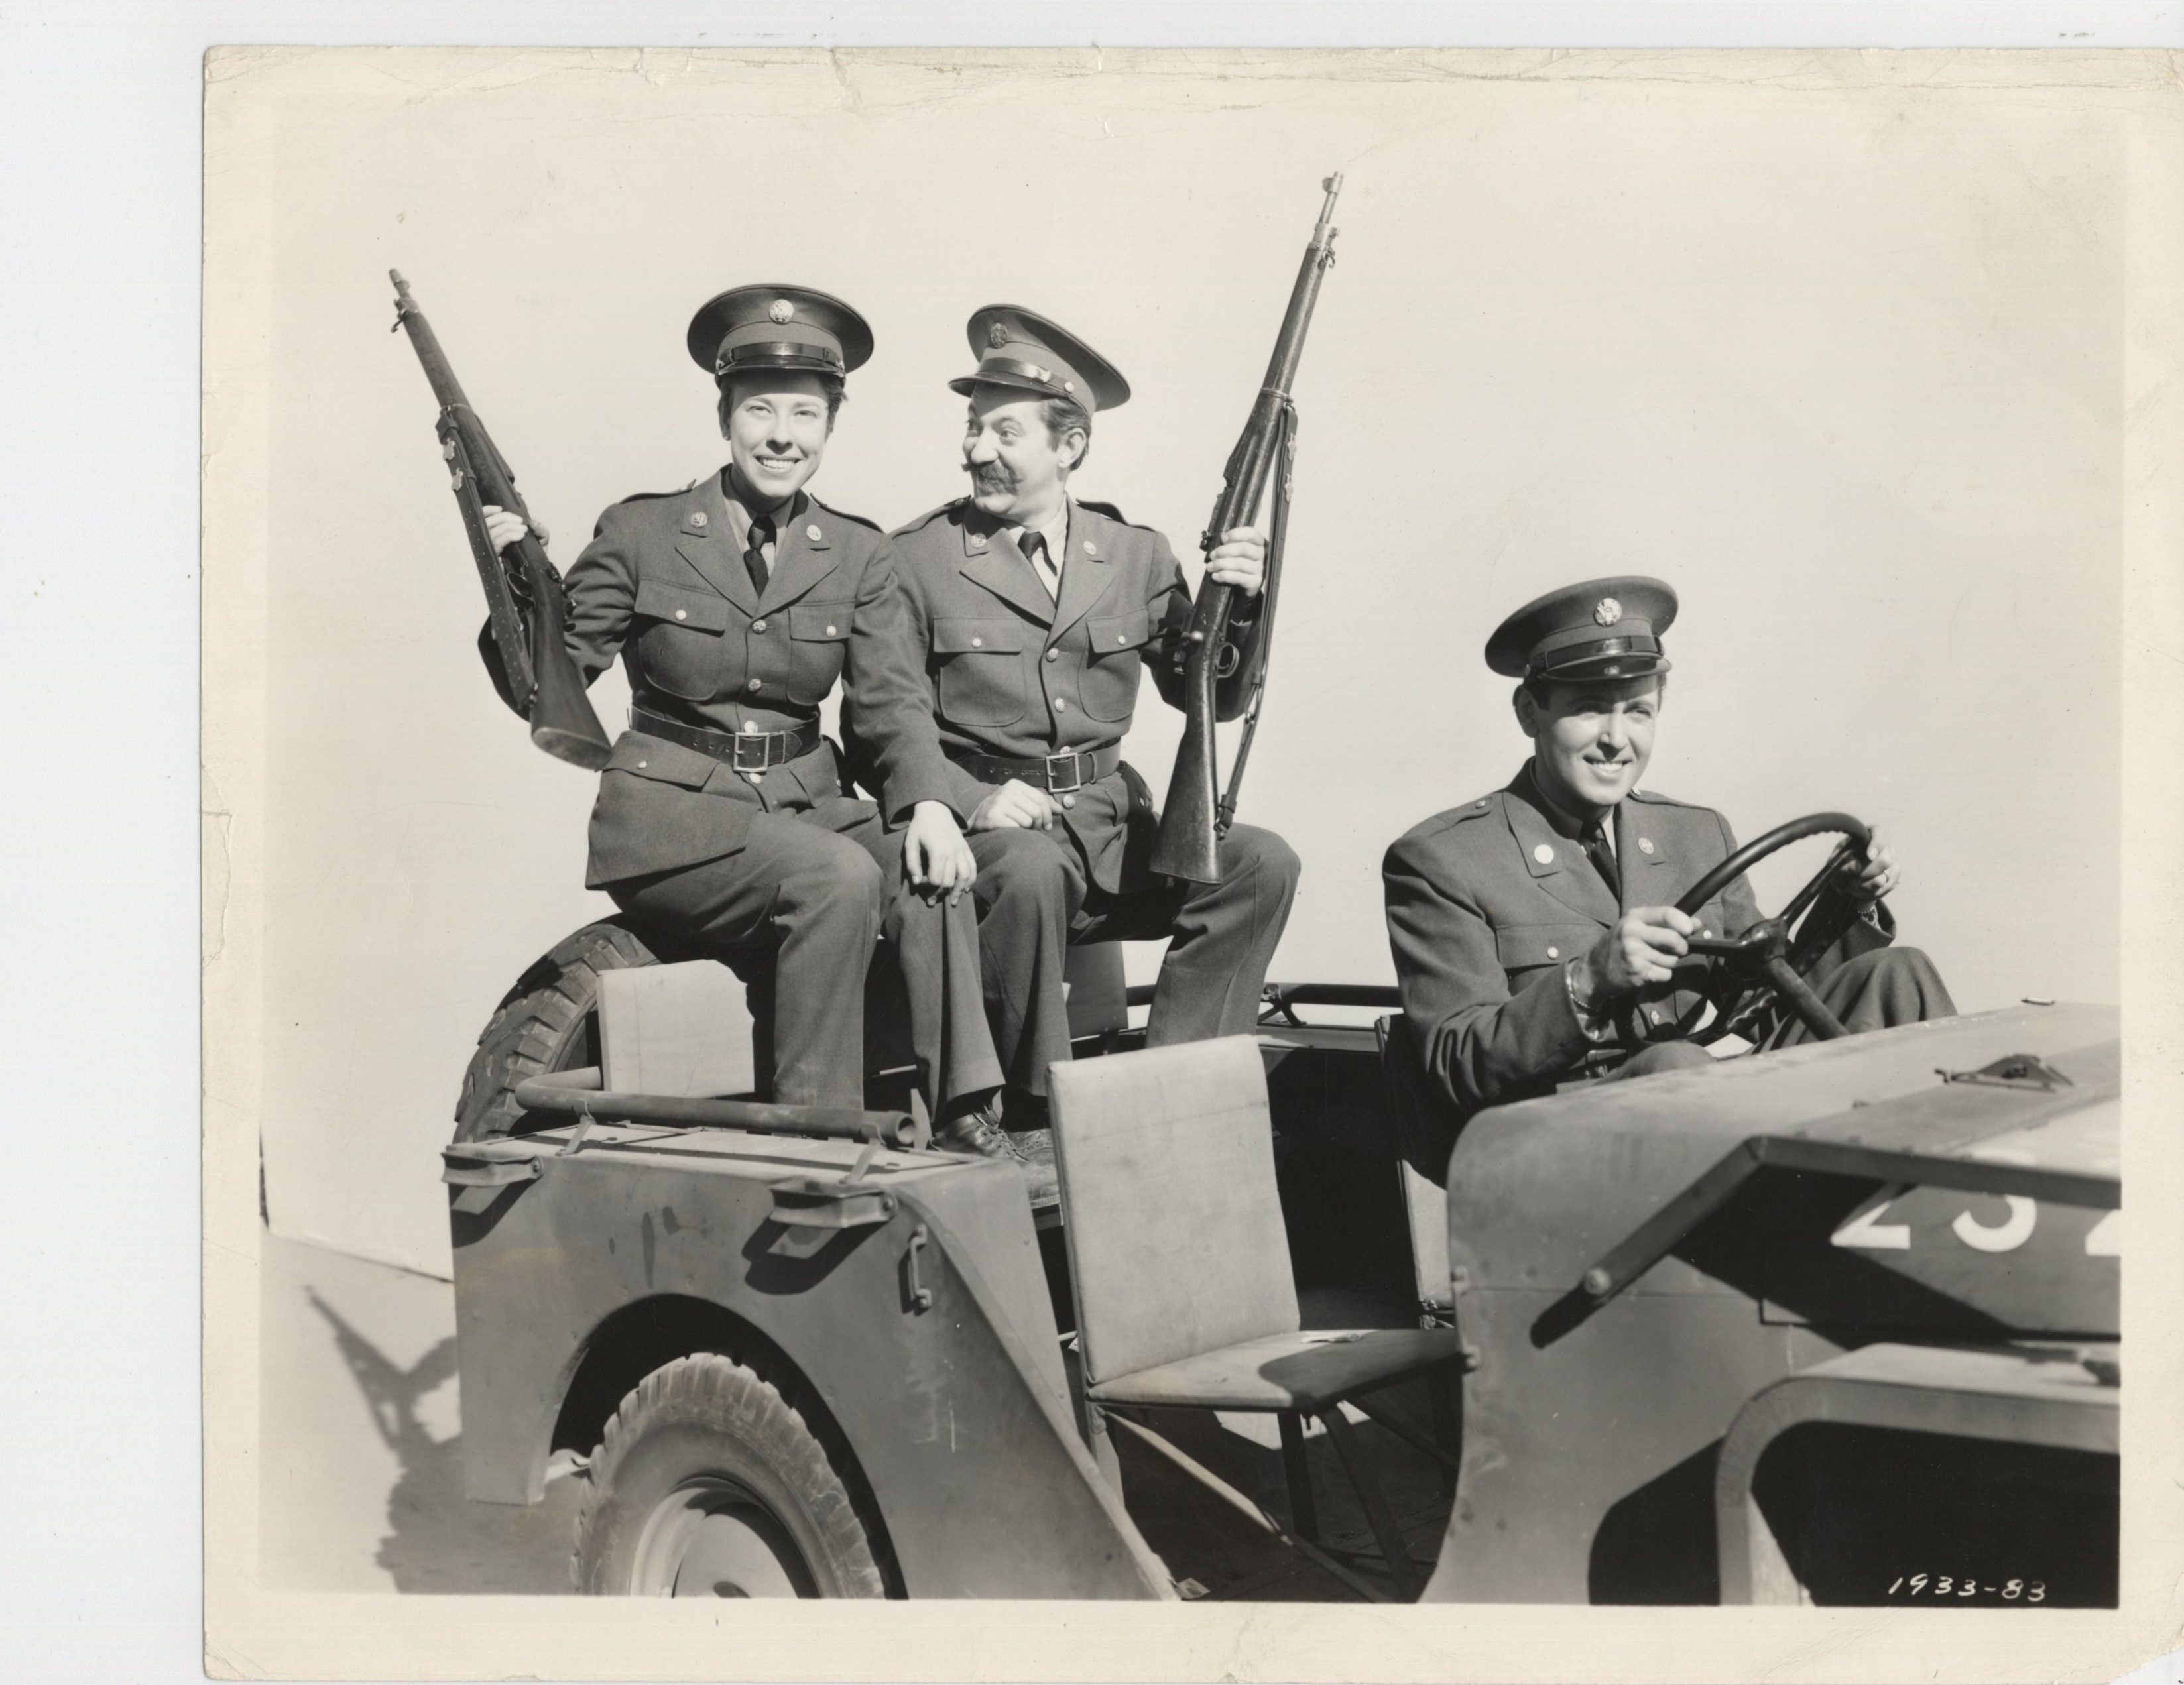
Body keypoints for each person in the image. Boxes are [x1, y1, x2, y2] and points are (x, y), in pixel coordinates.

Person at [477, 285, 1002, 1124]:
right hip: (672, 823)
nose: (782, 436)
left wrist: (933, 803)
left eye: (805, 414)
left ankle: (968, 1110)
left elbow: (890, 704)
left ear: (832, 424)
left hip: (802, 805)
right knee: (836, 877)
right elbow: (551, 683)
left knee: (924, 864)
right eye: (760, 410)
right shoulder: (643, 531)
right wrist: (519, 593)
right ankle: (817, 1134)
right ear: (725, 415)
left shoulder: (860, 553)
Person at [888, 306, 1302, 1166]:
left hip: (1112, 838)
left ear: (1068, 445)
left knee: (1261, 864)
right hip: (989, 843)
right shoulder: (914, 560)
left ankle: (1173, 1090)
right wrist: (962, 801)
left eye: (1004, 431)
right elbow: (879, 722)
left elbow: (1212, 697)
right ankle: (1032, 1118)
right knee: (1031, 869)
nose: (977, 451)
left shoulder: (1136, 554)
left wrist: (1244, 595)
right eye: (973, 429)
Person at [1383, 575, 1953, 1126]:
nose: (1616, 738)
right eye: (1588, 708)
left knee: (1900, 975)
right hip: (1557, 1146)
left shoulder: (1696, 836)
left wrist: (1846, 902)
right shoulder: (1445, 860)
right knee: (1675, 1065)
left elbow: (1765, 1008)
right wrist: (1587, 981)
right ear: (1530, 711)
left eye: (1638, 711)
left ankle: (1962, 1195)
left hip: (1700, 1115)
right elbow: (1459, 1066)